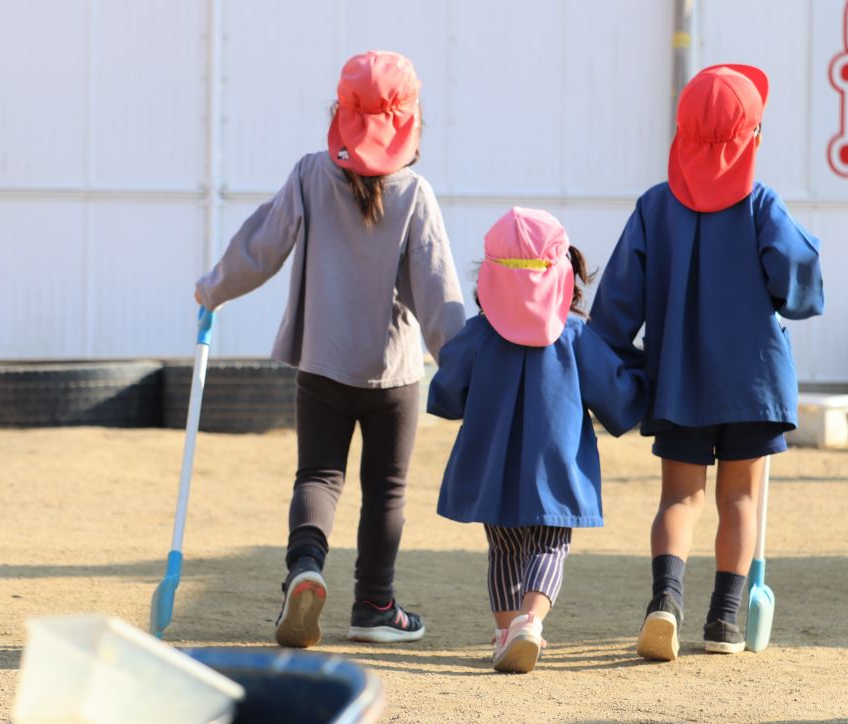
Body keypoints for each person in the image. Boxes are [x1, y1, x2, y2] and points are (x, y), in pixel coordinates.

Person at [194, 51, 466, 647]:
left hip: (321, 362)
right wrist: (468, 374)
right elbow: (438, 294)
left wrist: (212, 289)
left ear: (340, 116)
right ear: (409, 122)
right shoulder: (414, 194)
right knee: (386, 489)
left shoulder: (309, 175)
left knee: (318, 475)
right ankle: (374, 604)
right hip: (393, 375)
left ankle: (305, 569)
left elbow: (260, 248)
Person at [589, 65, 825, 660]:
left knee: (679, 499)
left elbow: (616, 308)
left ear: (680, 134)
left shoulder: (653, 207)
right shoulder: (762, 205)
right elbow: (797, 281)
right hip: (752, 382)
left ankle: (664, 602)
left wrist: (619, 368)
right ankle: (724, 621)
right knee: (739, 498)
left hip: (677, 380)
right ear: (753, 139)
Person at [427, 207, 647, 673]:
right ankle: (531, 621)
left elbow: (447, 389)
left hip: (492, 466)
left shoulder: (479, 335)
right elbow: (618, 395)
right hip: (557, 465)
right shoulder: (575, 336)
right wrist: (648, 378)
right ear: (564, 273)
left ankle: (507, 631)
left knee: (504, 548)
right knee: (550, 545)